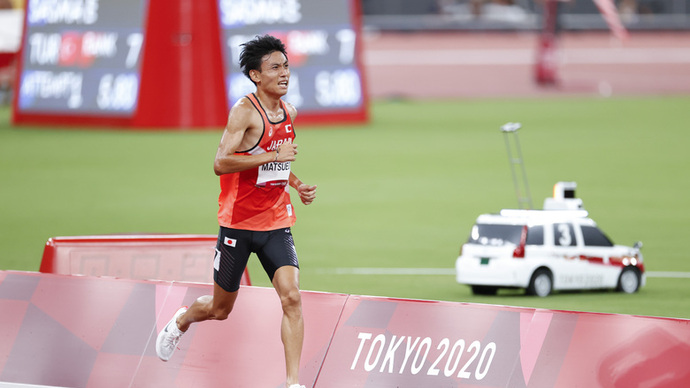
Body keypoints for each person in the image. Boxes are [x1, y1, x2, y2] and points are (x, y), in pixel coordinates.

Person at [155, 35, 317, 388]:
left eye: (286, 66)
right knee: (220, 309)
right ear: (256, 75)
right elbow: (221, 163)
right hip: (237, 224)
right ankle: (182, 320)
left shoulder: (289, 112)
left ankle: (293, 383)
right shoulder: (244, 111)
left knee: (292, 296)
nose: (285, 73)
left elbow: (275, 164)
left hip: (276, 220)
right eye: (275, 67)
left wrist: (296, 184)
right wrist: (275, 155)